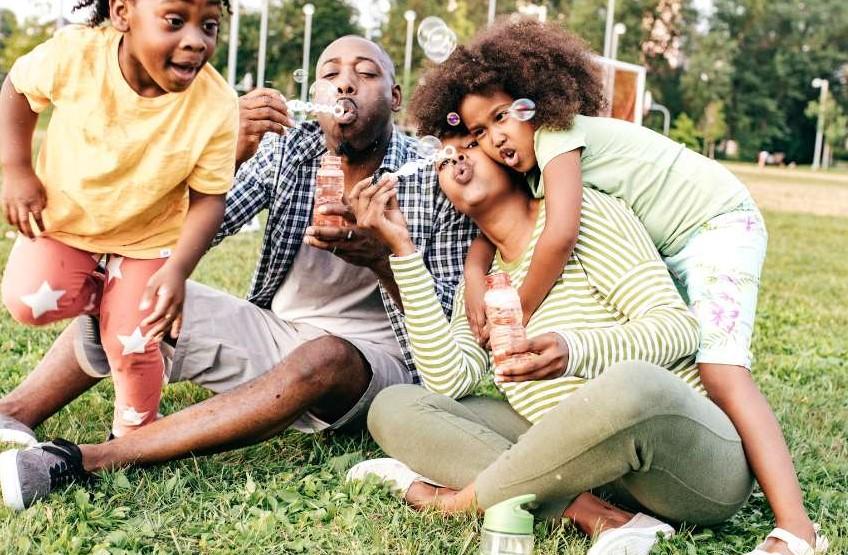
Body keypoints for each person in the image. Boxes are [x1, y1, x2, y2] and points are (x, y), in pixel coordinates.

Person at [0, 35, 476, 510]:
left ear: (395, 97)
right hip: (274, 335)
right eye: (330, 74)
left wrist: (383, 259)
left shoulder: (431, 176)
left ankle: (89, 459)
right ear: (315, 94)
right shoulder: (290, 152)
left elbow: (453, 325)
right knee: (134, 286)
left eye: (366, 74)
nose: (345, 85)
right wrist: (229, 154)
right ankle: (15, 412)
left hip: (375, 367)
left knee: (324, 355)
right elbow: (179, 234)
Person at [408, 18, 825, 555]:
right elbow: (494, 230)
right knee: (673, 357)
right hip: (671, 240)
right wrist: (472, 271)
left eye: (499, 117)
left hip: (716, 222)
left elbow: (558, 235)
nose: (494, 140)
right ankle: (620, 481)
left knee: (720, 367)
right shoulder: (533, 166)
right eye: (480, 134)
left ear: (535, 99)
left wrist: (520, 310)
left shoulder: (557, 135)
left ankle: (795, 527)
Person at [348, 134, 753, 555]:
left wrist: (572, 349)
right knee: (396, 405)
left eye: (471, 140)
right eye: (442, 156)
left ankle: (455, 502)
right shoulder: (479, 282)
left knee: (632, 383)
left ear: (512, 155)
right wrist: (402, 249)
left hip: (682, 464)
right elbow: (448, 382)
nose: (456, 157)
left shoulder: (585, 215)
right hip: (581, 466)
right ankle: (598, 515)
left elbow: (677, 327)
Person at [0, 0, 238, 442]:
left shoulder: (216, 103)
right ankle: (110, 301)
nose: (195, 40)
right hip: (69, 223)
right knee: (27, 300)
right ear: (123, 13)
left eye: (209, 25)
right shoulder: (76, 56)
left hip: (148, 241)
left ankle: (132, 437)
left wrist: (178, 270)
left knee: (134, 343)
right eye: (174, 21)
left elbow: (209, 199)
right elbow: (16, 88)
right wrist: (16, 168)